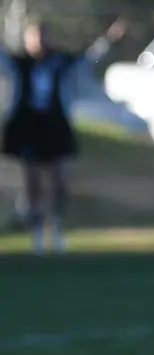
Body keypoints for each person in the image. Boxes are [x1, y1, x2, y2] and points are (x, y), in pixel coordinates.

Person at [1, 17, 126, 253]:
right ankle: (36, 230)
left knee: (61, 179)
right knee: (33, 179)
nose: (40, 41)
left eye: (43, 36)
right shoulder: (19, 63)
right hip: (27, 126)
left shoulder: (60, 62)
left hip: (55, 126)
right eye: (35, 36)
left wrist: (109, 39)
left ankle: (55, 225)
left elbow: (90, 58)